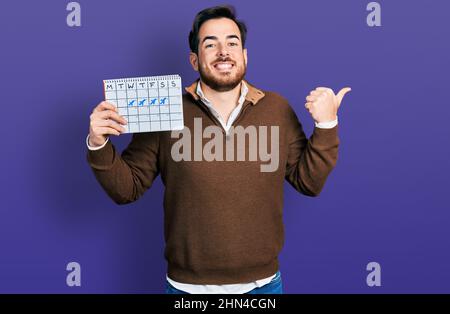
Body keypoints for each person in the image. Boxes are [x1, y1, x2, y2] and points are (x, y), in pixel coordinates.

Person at [86, 5, 351, 294]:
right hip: (185, 290)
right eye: (210, 44)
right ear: (194, 59)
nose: (223, 51)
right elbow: (127, 189)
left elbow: (309, 182)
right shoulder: (166, 110)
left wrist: (326, 125)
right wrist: (98, 143)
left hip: (263, 288)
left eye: (232, 43)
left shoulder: (277, 109)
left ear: (245, 55)